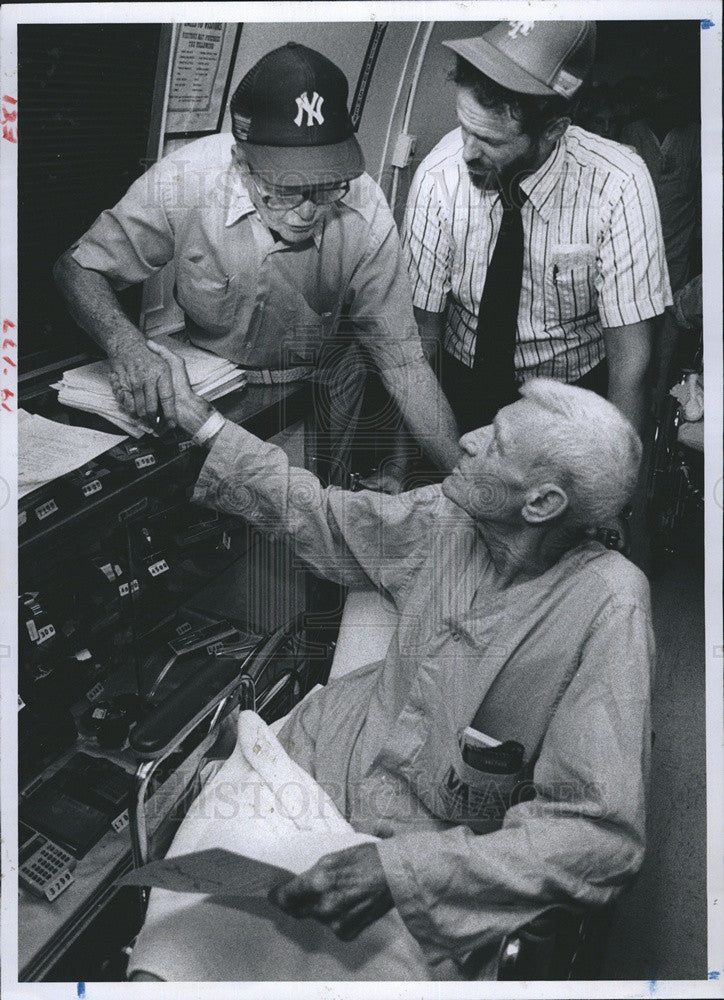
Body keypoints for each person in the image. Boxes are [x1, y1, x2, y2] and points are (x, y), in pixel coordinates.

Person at [127, 340, 654, 981]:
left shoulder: (609, 603)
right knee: (172, 958)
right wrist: (203, 423)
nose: (467, 438)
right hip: (310, 771)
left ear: (541, 504)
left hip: (427, 858)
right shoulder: (448, 518)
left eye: (496, 442)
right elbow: (322, 517)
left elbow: (599, 836)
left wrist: (402, 872)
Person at [54, 42, 461, 485]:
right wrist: (126, 345)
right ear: (241, 164)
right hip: (205, 380)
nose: (307, 212)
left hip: (311, 385)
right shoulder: (187, 179)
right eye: (285, 190)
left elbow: (403, 363)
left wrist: (470, 485)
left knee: (298, 517)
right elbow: (78, 267)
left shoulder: (367, 212)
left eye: (327, 188)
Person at [403, 21, 672, 438]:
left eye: (489, 140)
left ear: (553, 131)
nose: (467, 153)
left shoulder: (619, 183)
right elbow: (422, 338)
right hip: (460, 386)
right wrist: (409, 465)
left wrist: (619, 492)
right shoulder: (439, 177)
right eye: (464, 128)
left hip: (570, 397)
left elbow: (630, 362)